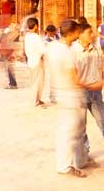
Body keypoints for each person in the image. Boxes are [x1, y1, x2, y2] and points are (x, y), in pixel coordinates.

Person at [47, 19, 96, 177]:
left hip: (60, 94)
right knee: (71, 133)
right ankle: (66, 166)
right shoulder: (66, 53)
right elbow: (74, 79)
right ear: (73, 33)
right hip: (70, 96)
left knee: (71, 131)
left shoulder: (53, 46)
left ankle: (78, 160)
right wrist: (93, 85)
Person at [71, 22, 104, 139]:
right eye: (90, 32)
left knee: (102, 120)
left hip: (96, 93)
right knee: (80, 126)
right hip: (80, 93)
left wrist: (101, 82)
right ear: (80, 35)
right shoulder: (72, 51)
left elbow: (102, 67)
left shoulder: (96, 48)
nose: (93, 35)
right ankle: (84, 151)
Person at [24, 18, 47, 107]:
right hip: (37, 61)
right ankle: (35, 101)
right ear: (36, 26)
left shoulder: (27, 36)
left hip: (31, 61)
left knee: (35, 81)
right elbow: (43, 50)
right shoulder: (36, 37)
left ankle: (37, 99)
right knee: (38, 82)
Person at [0, 24, 19, 90]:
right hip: (8, 53)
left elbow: (11, 45)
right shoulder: (9, 35)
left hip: (9, 54)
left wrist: (11, 55)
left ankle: (13, 84)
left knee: (10, 69)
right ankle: (12, 84)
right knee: (9, 70)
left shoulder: (11, 35)